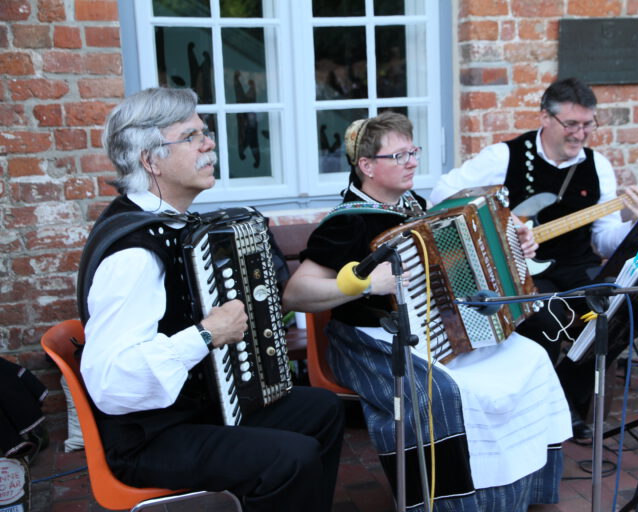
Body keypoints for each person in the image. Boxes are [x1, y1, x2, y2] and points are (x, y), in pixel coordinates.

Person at [283, 111, 571, 511]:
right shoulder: (346, 223)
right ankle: (451, 502)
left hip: (433, 327)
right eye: (399, 156)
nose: (412, 161)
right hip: (370, 340)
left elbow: (459, 264)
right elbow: (295, 294)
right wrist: (366, 283)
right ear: (366, 166)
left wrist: (514, 245)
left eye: (412, 151)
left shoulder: (412, 204)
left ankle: (520, 492)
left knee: (532, 357)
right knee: (443, 393)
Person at [79, 87, 344, 512]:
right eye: (191, 136)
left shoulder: (170, 225)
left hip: (191, 410)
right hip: (151, 438)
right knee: (290, 460)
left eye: (204, 132)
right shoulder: (134, 256)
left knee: (323, 409)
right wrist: (205, 334)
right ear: (150, 160)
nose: (209, 143)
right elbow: (111, 382)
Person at [430, 77, 638, 440]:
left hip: (578, 267)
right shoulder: (504, 157)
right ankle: (542, 410)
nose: (580, 134)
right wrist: (499, 231)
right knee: (546, 319)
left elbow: (606, 240)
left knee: (621, 310)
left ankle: (564, 401)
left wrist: (633, 218)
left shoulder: (598, 167)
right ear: (545, 118)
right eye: (571, 124)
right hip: (522, 271)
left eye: (587, 124)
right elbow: (441, 195)